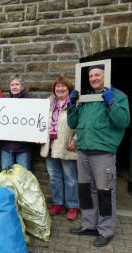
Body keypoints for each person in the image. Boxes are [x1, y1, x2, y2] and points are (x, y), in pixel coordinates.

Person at [67, 64, 130, 247]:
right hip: (84, 151)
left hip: (103, 153)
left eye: (97, 75)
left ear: (106, 75)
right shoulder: (86, 97)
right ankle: (89, 225)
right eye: (91, 76)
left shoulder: (118, 96)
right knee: (86, 191)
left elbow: (123, 122)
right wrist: (72, 105)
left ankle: (106, 230)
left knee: (104, 192)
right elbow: (73, 123)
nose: (94, 78)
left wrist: (111, 102)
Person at [40, 76, 79, 221]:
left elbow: (82, 124)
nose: (60, 89)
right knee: (54, 178)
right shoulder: (48, 103)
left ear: (69, 89)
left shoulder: (75, 103)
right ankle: (58, 204)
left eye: (64, 87)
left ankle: (73, 206)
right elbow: (40, 121)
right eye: (58, 86)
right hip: (50, 146)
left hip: (66, 145)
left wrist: (76, 139)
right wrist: (37, 134)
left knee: (70, 178)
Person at [0, 74, 32, 170]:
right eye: (12, 85)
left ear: (22, 87)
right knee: (6, 173)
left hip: (23, 146)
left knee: (23, 173)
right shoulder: (3, 103)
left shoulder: (31, 103)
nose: (14, 87)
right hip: (6, 145)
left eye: (17, 84)